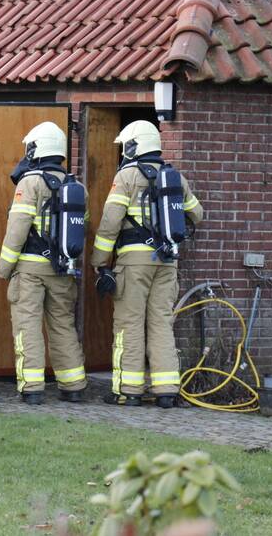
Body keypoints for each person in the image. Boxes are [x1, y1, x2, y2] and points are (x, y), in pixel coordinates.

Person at [91, 120, 203, 407]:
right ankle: (167, 390)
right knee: (161, 323)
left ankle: (129, 390)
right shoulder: (174, 177)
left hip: (134, 262)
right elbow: (197, 214)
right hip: (167, 261)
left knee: (129, 324)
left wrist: (100, 262)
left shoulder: (127, 177)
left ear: (132, 146)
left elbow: (110, 222)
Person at [0, 122, 87, 404]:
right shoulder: (77, 187)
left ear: (35, 148)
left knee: (28, 326)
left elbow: (18, 228)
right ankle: (74, 386)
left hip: (30, 270)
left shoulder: (30, 182)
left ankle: (32, 388)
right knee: (63, 325)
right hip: (62, 269)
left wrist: (4, 267)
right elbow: (84, 225)